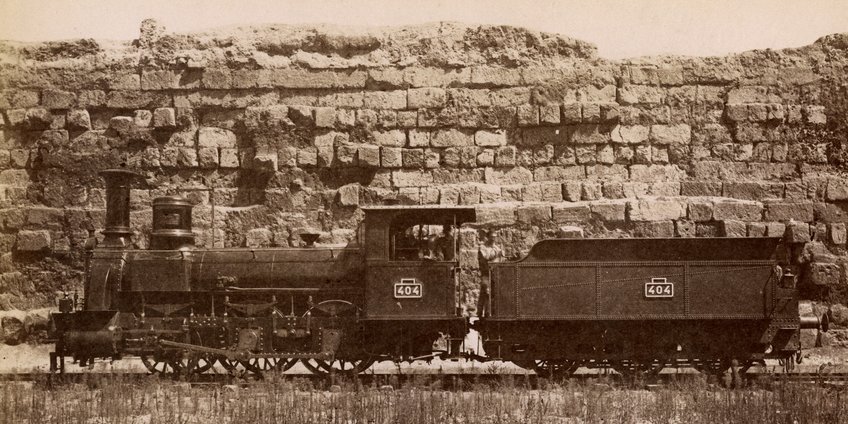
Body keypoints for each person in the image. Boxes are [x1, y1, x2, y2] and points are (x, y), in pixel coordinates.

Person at [477, 229, 503, 317]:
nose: (493, 239)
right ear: (487, 237)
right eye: (491, 237)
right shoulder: (483, 247)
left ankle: (492, 313)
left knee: (494, 293)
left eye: (495, 237)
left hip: (494, 273)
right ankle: (482, 313)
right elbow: (486, 257)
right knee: (486, 291)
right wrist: (496, 253)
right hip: (485, 273)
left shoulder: (497, 247)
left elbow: (501, 260)